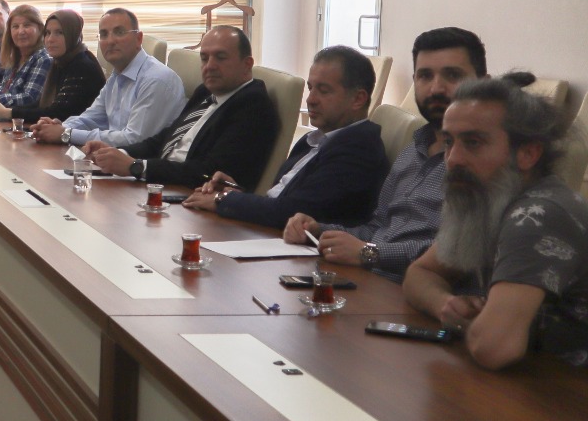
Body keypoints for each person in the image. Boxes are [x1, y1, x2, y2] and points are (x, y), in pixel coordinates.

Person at [404, 74, 588, 369]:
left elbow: (494, 347)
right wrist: (446, 305)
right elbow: (420, 273)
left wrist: (474, 327)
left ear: (527, 153)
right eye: (449, 142)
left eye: (473, 143)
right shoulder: (490, 198)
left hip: (567, 388)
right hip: (533, 376)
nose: (453, 159)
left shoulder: (539, 216)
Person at [284, 27, 487, 278]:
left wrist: (370, 253)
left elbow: (461, 252)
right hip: (369, 279)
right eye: (425, 76)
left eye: (452, 75)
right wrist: (318, 230)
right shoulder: (413, 149)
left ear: (483, 84)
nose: (436, 88)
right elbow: (379, 228)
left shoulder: (488, 160)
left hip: (417, 289)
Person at [185, 45, 387, 228]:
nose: (310, 99)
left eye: (324, 91)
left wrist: (224, 200)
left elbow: (292, 212)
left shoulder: (359, 149)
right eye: (310, 88)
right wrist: (234, 191)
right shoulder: (313, 140)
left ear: (358, 99)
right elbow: (279, 198)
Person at [85, 25, 279, 190]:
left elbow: (208, 172)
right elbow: (165, 139)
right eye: (204, 58)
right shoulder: (206, 92)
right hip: (162, 185)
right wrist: (119, 152)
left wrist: (135, 166)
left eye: (220, 57)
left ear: (247, 64)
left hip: (191, 197)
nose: (209, 66)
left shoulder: (253, 107)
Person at [31, 8, 185, 146]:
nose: (110, 41)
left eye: (119, 32)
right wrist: (59, 127)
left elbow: (134, 139)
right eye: (104, 34)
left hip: (142, 164)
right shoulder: (117, 76)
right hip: (113, 158)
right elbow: (91, 118)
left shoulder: (156, 79)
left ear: (138, 39)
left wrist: (66, 134)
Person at [0, 9, 103, 123]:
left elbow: (58, 113)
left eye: (59, 33)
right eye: (48, 33)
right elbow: (40, 104)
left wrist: (7, 112)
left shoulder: (81, 65)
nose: (50, 39)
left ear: (73, 34)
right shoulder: (61, 62)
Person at [0, 5, 50, 115]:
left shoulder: (44, 58)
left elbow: (30, 98)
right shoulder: (14, 57)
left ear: (40, 29)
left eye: (27, 25)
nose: (21, 31)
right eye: (15, 27)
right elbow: (5, 89)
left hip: (25, 123)